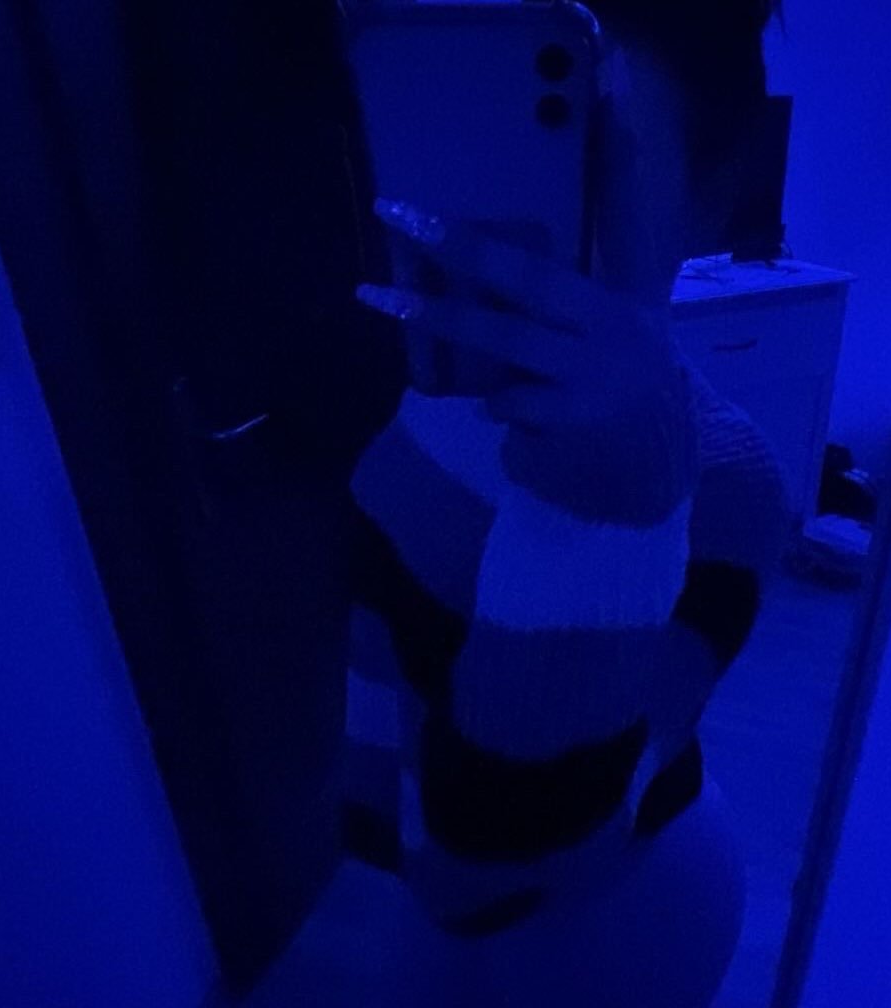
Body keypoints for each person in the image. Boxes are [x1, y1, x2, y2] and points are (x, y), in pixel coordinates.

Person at [332, 2, 792, 1006]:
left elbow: (492, 869)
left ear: (713, 198)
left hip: (618, 923)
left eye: (588, 158)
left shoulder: (725, 479)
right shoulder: (401, 383)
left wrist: (613, 494)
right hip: (418, 897)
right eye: (467, 141)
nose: (508, 210)